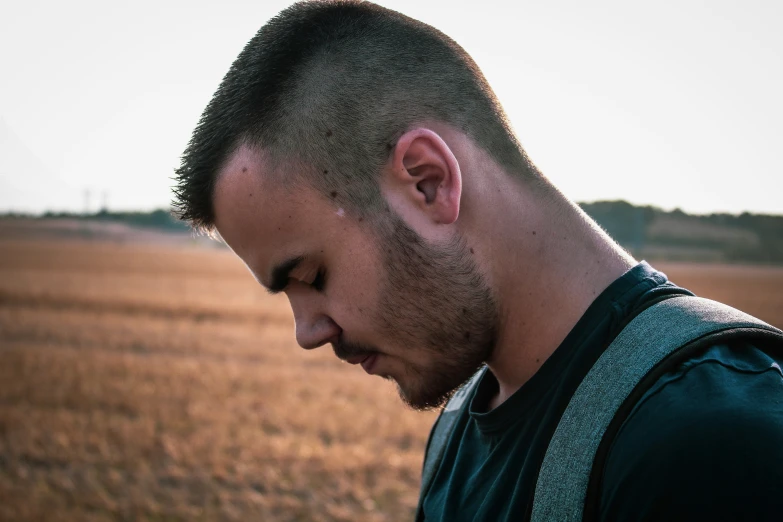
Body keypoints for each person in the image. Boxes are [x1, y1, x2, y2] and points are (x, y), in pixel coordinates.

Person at [172, 1, 783, 520]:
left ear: (428, 182)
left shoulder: (712, 440)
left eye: (310, 277)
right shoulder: (461, 420)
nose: (308, 332)